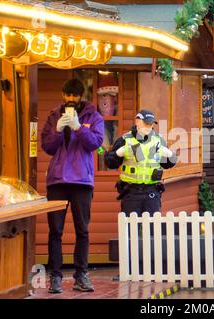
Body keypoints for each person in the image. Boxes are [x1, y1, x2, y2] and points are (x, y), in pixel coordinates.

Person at [41, 78, 104, 294]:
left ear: (81, 96)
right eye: (67, 96)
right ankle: (55, 277)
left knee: (82, 230)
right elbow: (47, 147)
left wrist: (78, 127)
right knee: (55, 231)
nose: (70, 100)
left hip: (81, 181)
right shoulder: (53, 115)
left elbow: (95, 143)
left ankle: (81, 275)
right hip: (57, 180)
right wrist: (58, 130)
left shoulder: (93, 116)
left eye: (74, 97)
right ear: (63, 95)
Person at [104, 110, 177, 215]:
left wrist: (170, 155)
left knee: (152, 228)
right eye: (146, 123)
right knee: (131, 228)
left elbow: (168, 164)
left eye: (151, 124)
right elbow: (110, 163)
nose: (149, 126)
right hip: (131, 192)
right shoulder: (125, 140)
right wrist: (118, 154)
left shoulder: (158, 141)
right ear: (137, 122)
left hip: (151, 192)